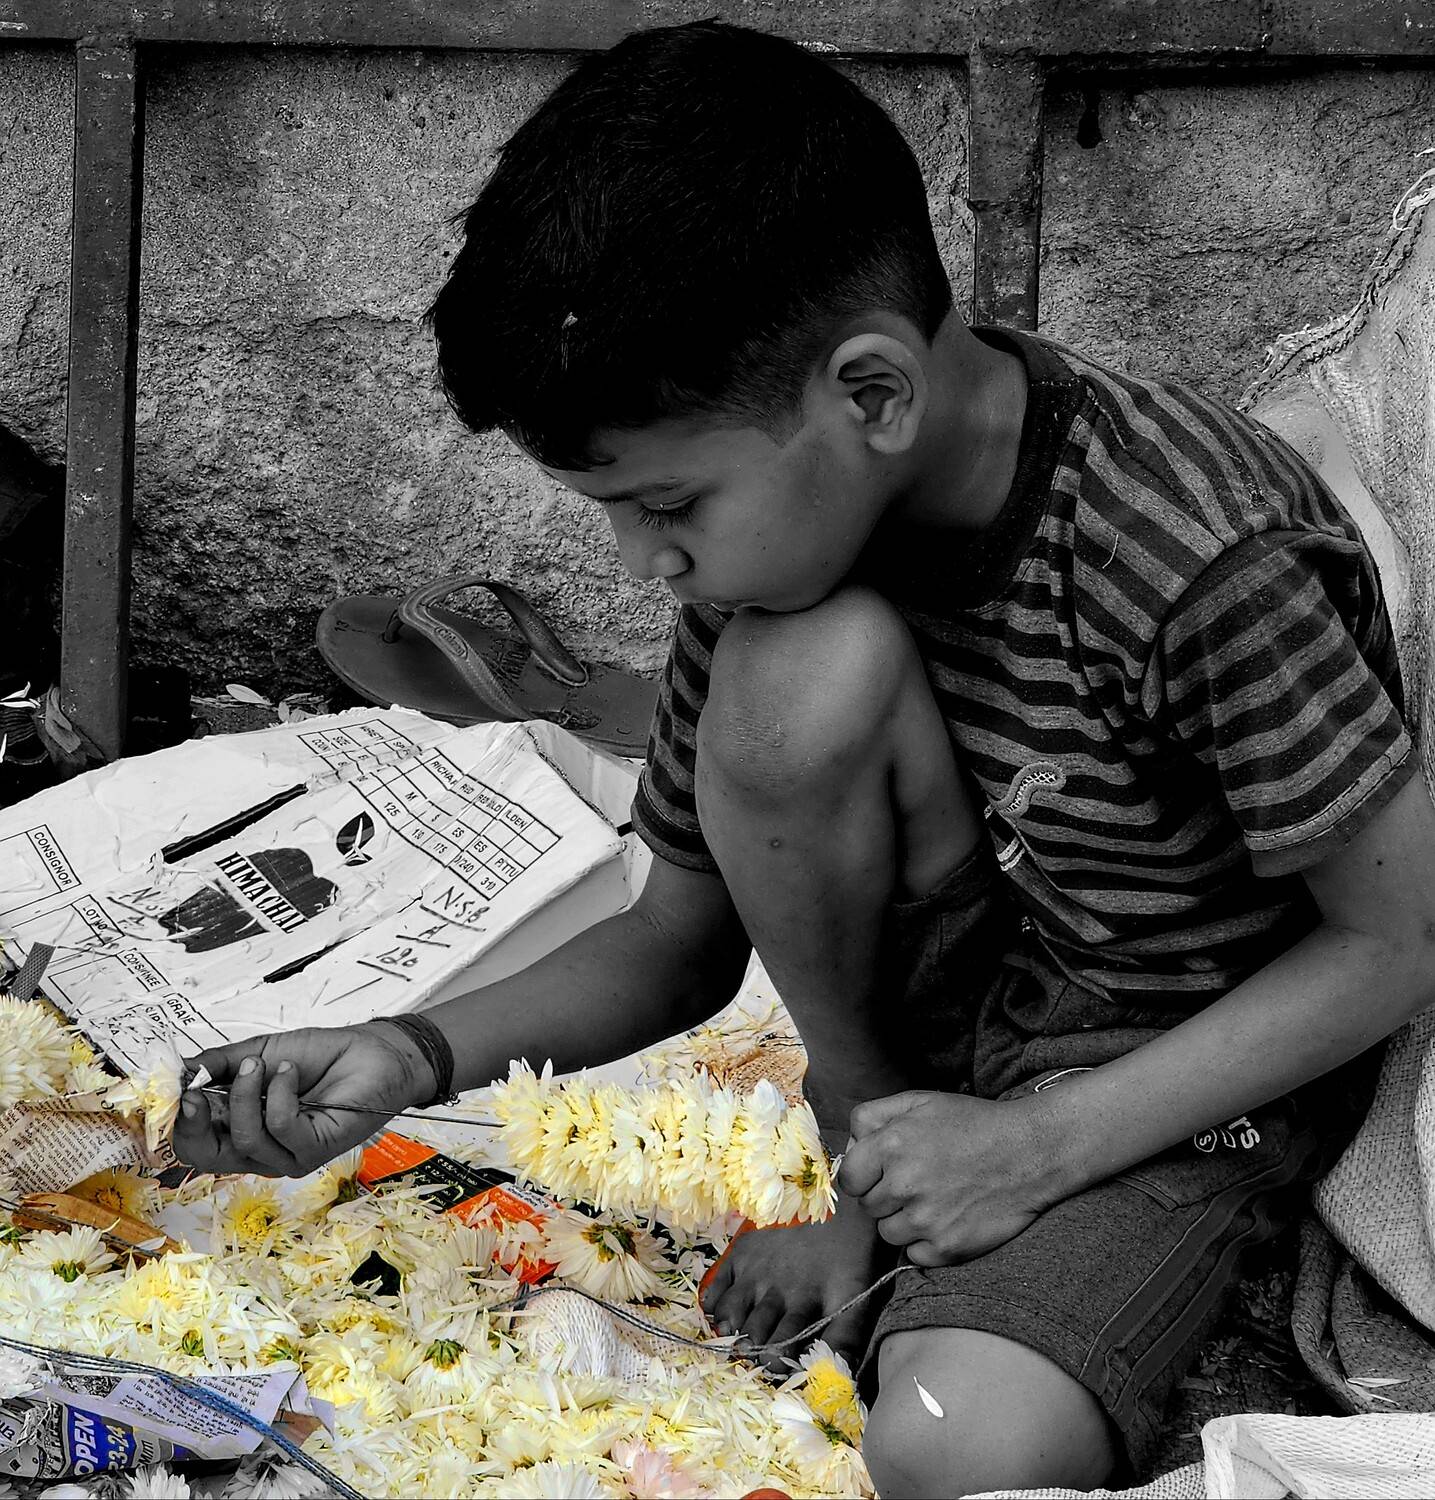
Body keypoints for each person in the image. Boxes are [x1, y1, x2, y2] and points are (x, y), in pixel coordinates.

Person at [174, 21, 1435, 1495]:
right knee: (797, 671)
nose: (643, 562)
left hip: (1179, 1064)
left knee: (952, 1444)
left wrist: (1043, 1147)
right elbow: (676, 941)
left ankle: (1016, 1214)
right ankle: (870, 1147)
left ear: (874, 395)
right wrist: (405, 1051)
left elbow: (1400, 937)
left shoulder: (1196, 553)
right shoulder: (772, 566)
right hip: (955, 1014)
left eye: (668, 505)